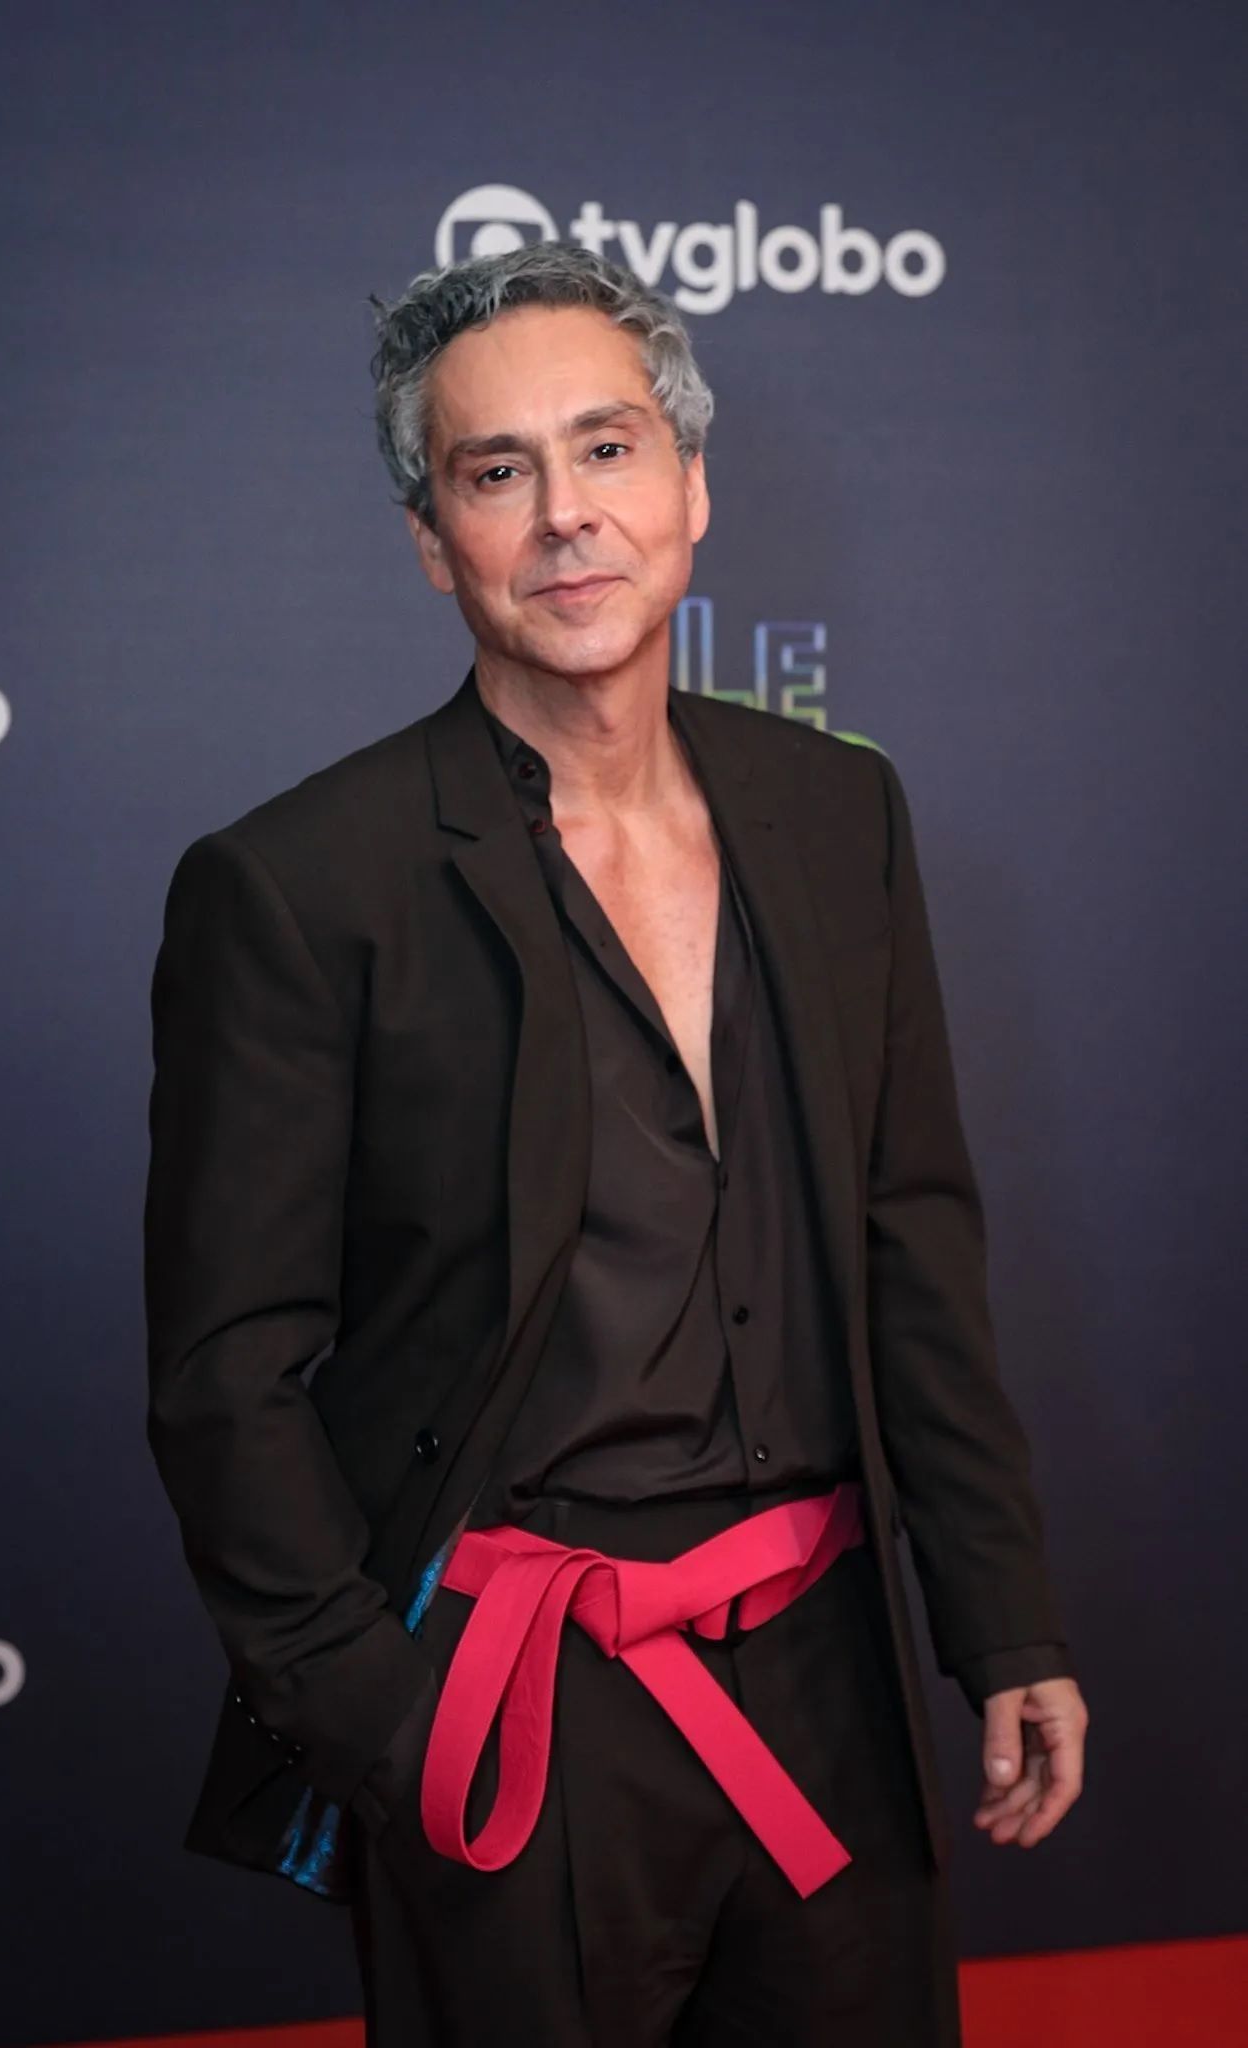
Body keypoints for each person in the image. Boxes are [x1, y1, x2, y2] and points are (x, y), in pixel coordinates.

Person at [144, 242, 1089, 2047]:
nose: (565, 513)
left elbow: (910, 1242)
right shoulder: (297, 885)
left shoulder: (838, 812)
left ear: (690, 487)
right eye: (497, 471)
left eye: (606, 448)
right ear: (433, 541)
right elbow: (223, 1377)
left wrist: (1002, 1620)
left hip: (829, 1682)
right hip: (510, 1714)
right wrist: (381, 1720)